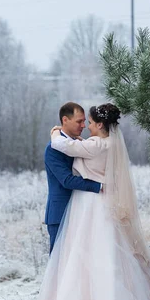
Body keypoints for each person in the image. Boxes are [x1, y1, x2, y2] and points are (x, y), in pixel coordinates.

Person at [33, 103, 150, 300]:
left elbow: (63, 145)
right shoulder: (110, 143)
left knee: (85, 262)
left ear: (101, 124)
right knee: (99, 259)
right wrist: (102, 185)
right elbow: (65, 177)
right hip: (89, 205)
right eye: (81, 121)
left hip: (90, 207)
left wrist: (54, 133)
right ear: (65, 120)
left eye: (89, 122)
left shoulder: (92, 144)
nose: (86, 126)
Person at [44, 102, 102, 254]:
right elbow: (67, 180)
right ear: (65, 120)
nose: (83, 125)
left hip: (83, 211)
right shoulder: (52, 149)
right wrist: (99, 186)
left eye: (84, 121)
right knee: (59, 263)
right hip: (60, 213)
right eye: (79, 121)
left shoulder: (79, 144)